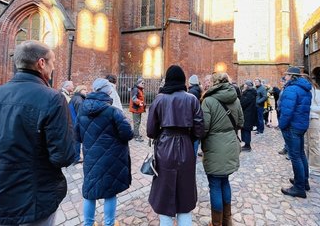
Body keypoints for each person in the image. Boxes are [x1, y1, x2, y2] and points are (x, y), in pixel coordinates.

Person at [0, 40, 75, 225]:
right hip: (35, 199)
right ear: (41, 63)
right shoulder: (52, 98)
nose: (53, 68)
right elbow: (63, 156)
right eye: (53, 62)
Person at [147, 65, 204, 226]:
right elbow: (199, 129)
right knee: (185, 195)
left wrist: (162, 135)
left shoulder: (159, 99)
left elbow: (150, 131)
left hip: (164, 147)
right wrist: (188, 137)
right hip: (186, 147)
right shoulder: (192, 99)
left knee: (164, 195)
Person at [75, 78, 134, 226]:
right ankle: (109, 223)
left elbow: (77, 135)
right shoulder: (113, 111)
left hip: (91, 156)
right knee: (110, 191)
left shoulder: (82, 109)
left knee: (89, 191)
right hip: (111, 157)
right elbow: (127, 134)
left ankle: (88, 224)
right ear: (108, 91)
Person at [201, 72, 243, 226]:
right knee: (225, 181)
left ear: (214, 83)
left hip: (214, 147)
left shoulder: (208, 100)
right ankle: (227, 221)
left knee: (215, 185)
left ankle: (216, 223)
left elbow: (203, 128)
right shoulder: (235, 99)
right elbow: (240, 121)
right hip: (230, 144)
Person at [278, 67, 312, 198]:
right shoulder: (305, 88)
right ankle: (304, 181)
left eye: (286, 75)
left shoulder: (292, 89)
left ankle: (299, 188)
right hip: (301, 125)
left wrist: (281, 125)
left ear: (291, 76)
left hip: (292, 126)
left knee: (295, 156)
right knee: (301, 154)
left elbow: (287, 111)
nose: (284, 77)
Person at [303, 76, 320, 176]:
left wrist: (308, 108)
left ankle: (316, 168)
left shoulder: (317, 92)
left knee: (313, 144)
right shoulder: (304, 92)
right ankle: (307, 165)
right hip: (304, 119)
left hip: (313, 119)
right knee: (305, 144)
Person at [70, 85, 88, 164]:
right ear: (80, 90)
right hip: (75, 122)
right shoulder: (79, 100)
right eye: (84, 90)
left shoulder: (75, 97)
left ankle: (75, 156)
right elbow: (80, 114)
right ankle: (76, 158)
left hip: (72, 122)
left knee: (75, 140)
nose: (86, 91)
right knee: (77, 140)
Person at [239, 80, 257, 152]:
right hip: (248, 113)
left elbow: (242, 103)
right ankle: (246, 144)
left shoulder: (249, 94)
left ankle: (247, 145)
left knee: (246, 129)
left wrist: (243, 93)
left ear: (247, 85)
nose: (244, 85)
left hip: (248, 114)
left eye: (245, 84)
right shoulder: (249, 93)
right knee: (245, 129)